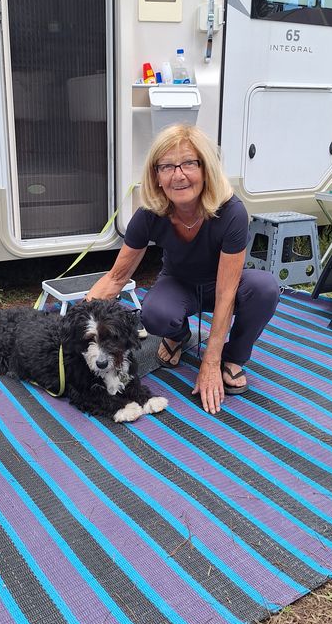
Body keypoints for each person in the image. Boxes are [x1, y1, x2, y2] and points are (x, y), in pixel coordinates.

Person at [86, 124, 279, 414]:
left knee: (265, 289)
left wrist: (210, 362)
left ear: (205, 168)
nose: (178, 175)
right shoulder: (149, 215)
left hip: (221, 285)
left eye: (189, 163)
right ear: (157, 176)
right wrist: (79, 324)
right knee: (155, 313)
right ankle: (177, 335)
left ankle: (233, 357)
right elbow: (116, 278)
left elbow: (227, 293)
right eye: (167, 166)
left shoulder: (232, 212)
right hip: (179, 284)